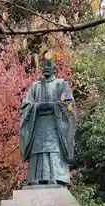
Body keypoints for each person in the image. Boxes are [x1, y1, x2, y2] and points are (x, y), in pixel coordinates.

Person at [19, 51, 76, 186]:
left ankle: (56, 176)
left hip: (56, 125)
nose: (46, 68)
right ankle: (36, 177)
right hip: (37, 124)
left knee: (54, 148)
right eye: (43, 66)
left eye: (49, 65)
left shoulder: (61, 84)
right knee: (38, 149)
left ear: (54, 67)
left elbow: (70, 105)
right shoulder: (34, 87)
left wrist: (54, 106)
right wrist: (36, 107)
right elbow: (25, 106)